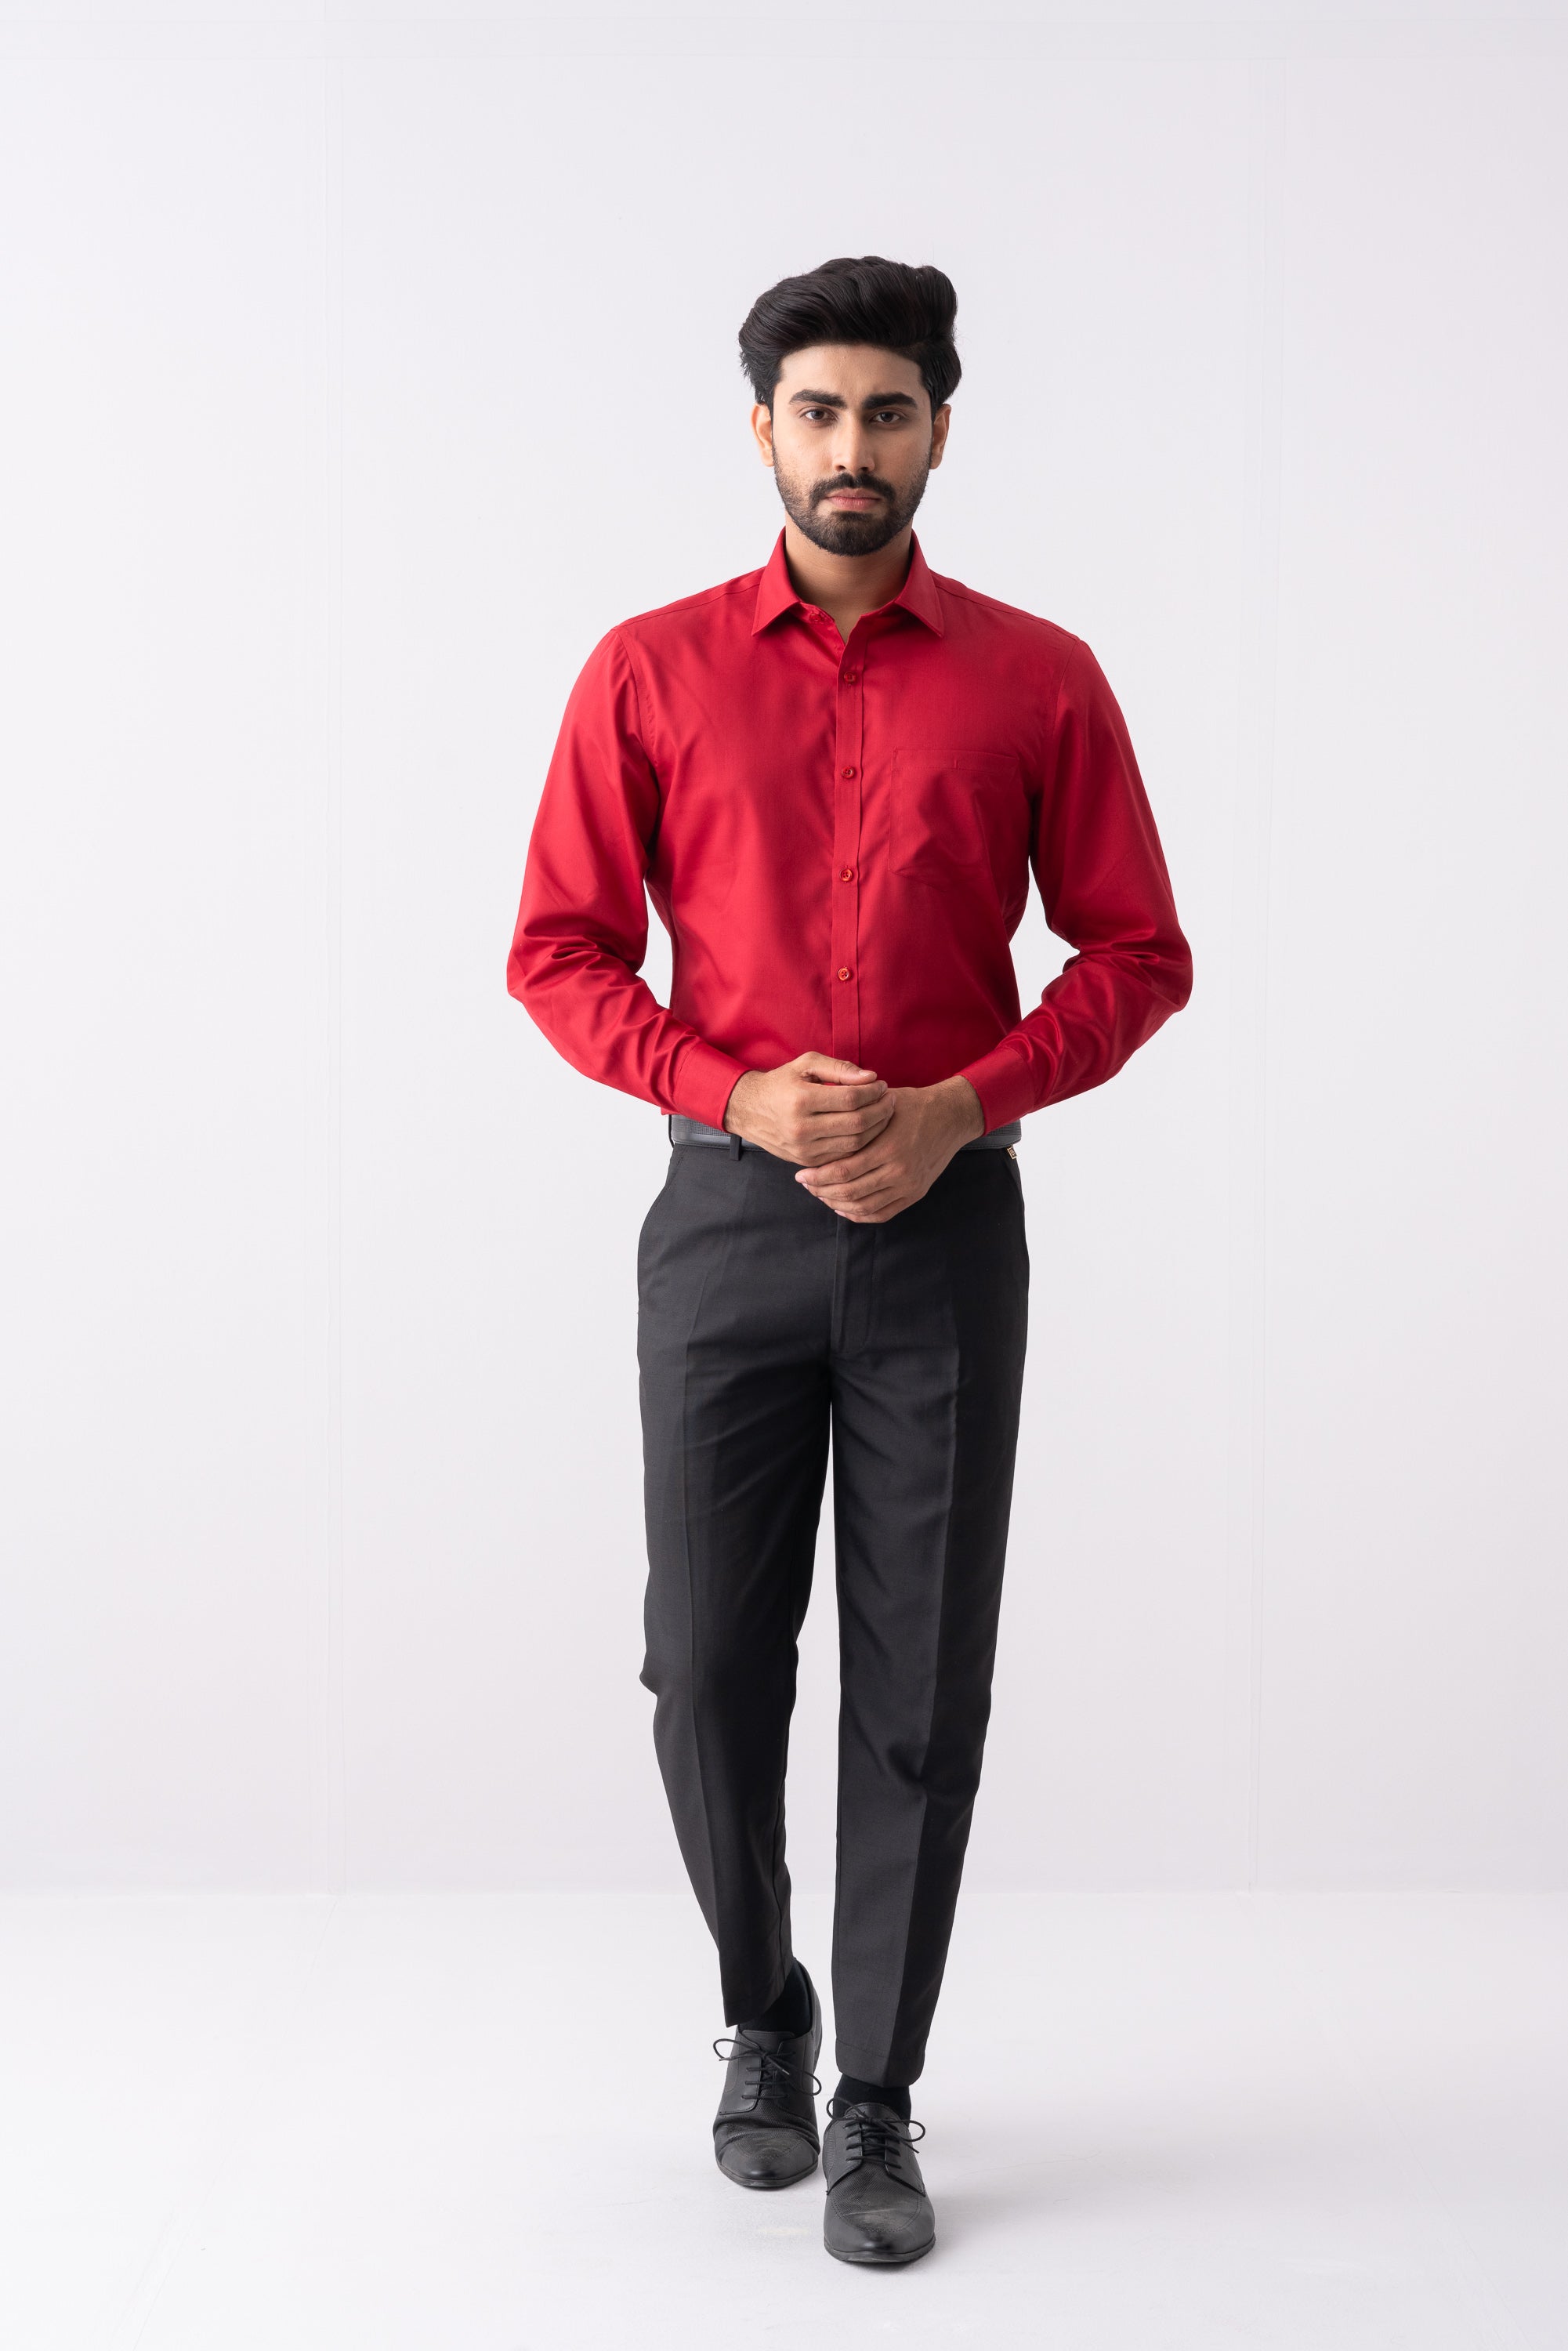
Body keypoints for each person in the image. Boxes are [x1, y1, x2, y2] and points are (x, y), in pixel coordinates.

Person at [506, 255, 1193, 2266]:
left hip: (941, 1239)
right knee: (705, 1668)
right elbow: (557, 951)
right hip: (721, 1226)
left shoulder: (1037, 678)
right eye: (816, 410)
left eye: (887, 411)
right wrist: (729, 1092)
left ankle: (877, 2093)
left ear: (938, 434)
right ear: (761, 433)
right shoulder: (646, 670)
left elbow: (1136, 952)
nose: (850, 446)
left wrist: (960, 1105)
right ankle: (764, 2011)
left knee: (916, 1682)